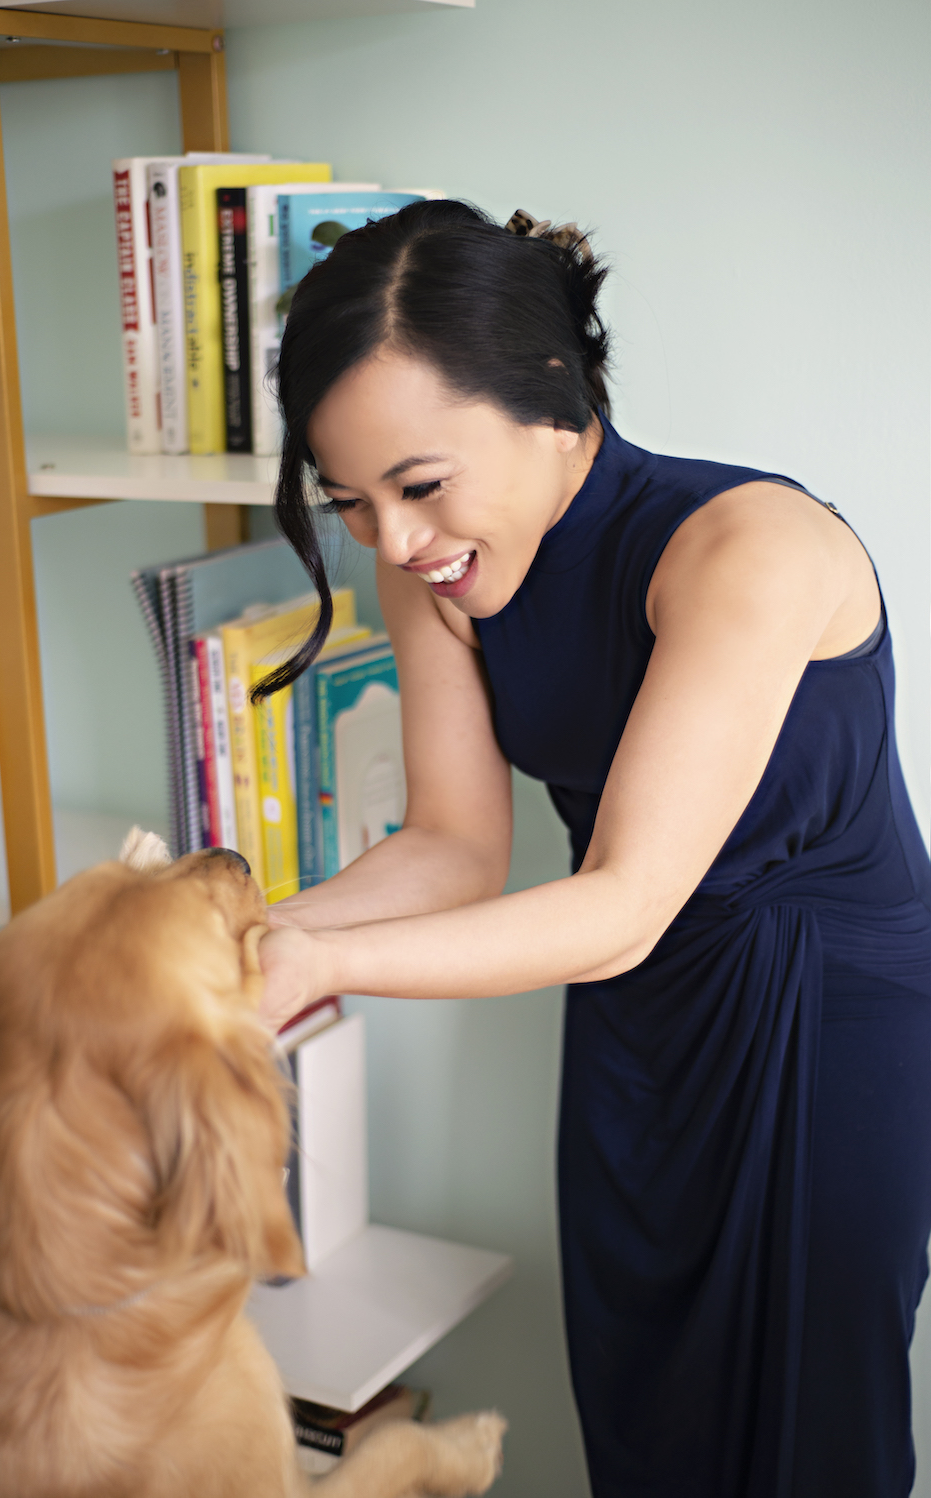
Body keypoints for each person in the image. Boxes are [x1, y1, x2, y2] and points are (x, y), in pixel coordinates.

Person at [251, 199, 931, 1497]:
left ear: (553, 399)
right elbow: (451, 846)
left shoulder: (749, 547)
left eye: (420, 484)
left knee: (809, 1441)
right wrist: (255, 936)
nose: (394, 539)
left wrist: (301, 965)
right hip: (637, 1019)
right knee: (644, 1409)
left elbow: (621, 899)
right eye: (350, 500)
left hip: (824, 1018)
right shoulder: (436, 570)